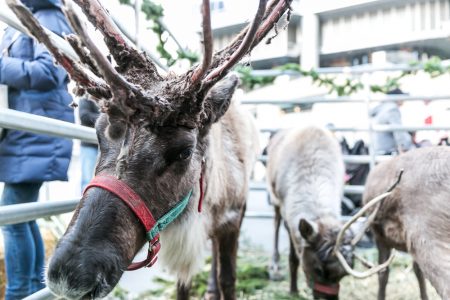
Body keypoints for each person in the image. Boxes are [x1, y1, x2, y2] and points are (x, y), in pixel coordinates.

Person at [0, 1, 74, 299]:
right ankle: (31, 287)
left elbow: (48, 72)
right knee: (22, 213)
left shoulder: (48, 15)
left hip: (38, 130)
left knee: (12, 212)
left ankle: (20, 291)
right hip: (25, 132)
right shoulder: (26, 17)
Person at [370, 88, 413, 155]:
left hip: (377, 150)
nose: (403, 100)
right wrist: (406, 147)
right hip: (388, 152)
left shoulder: (382, 108)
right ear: (397, 98)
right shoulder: (392, 109)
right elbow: (399, 132)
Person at [78, 97, 99, 192]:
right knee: (87, 179)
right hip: (89, 145)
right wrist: (105, 119)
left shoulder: (108, 97)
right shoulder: (85, 97)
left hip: (105, 146)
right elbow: (84, 116)